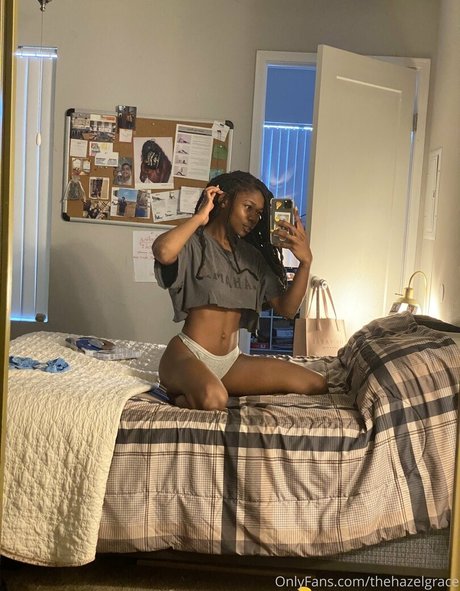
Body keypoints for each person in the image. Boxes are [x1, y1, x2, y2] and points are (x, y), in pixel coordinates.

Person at [152, 170, 327, 411]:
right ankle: (183, 394)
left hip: (231, 362)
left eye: (259, 212)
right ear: (224, 201)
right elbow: (163, 251)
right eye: (248, 207)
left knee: (316, 383)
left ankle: (200, 390)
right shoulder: (194, 243)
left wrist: (305, 262)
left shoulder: (252, 257)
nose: (253, 217)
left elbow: (287, 309)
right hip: (188, 354)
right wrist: (201, 217)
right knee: (215, 399)